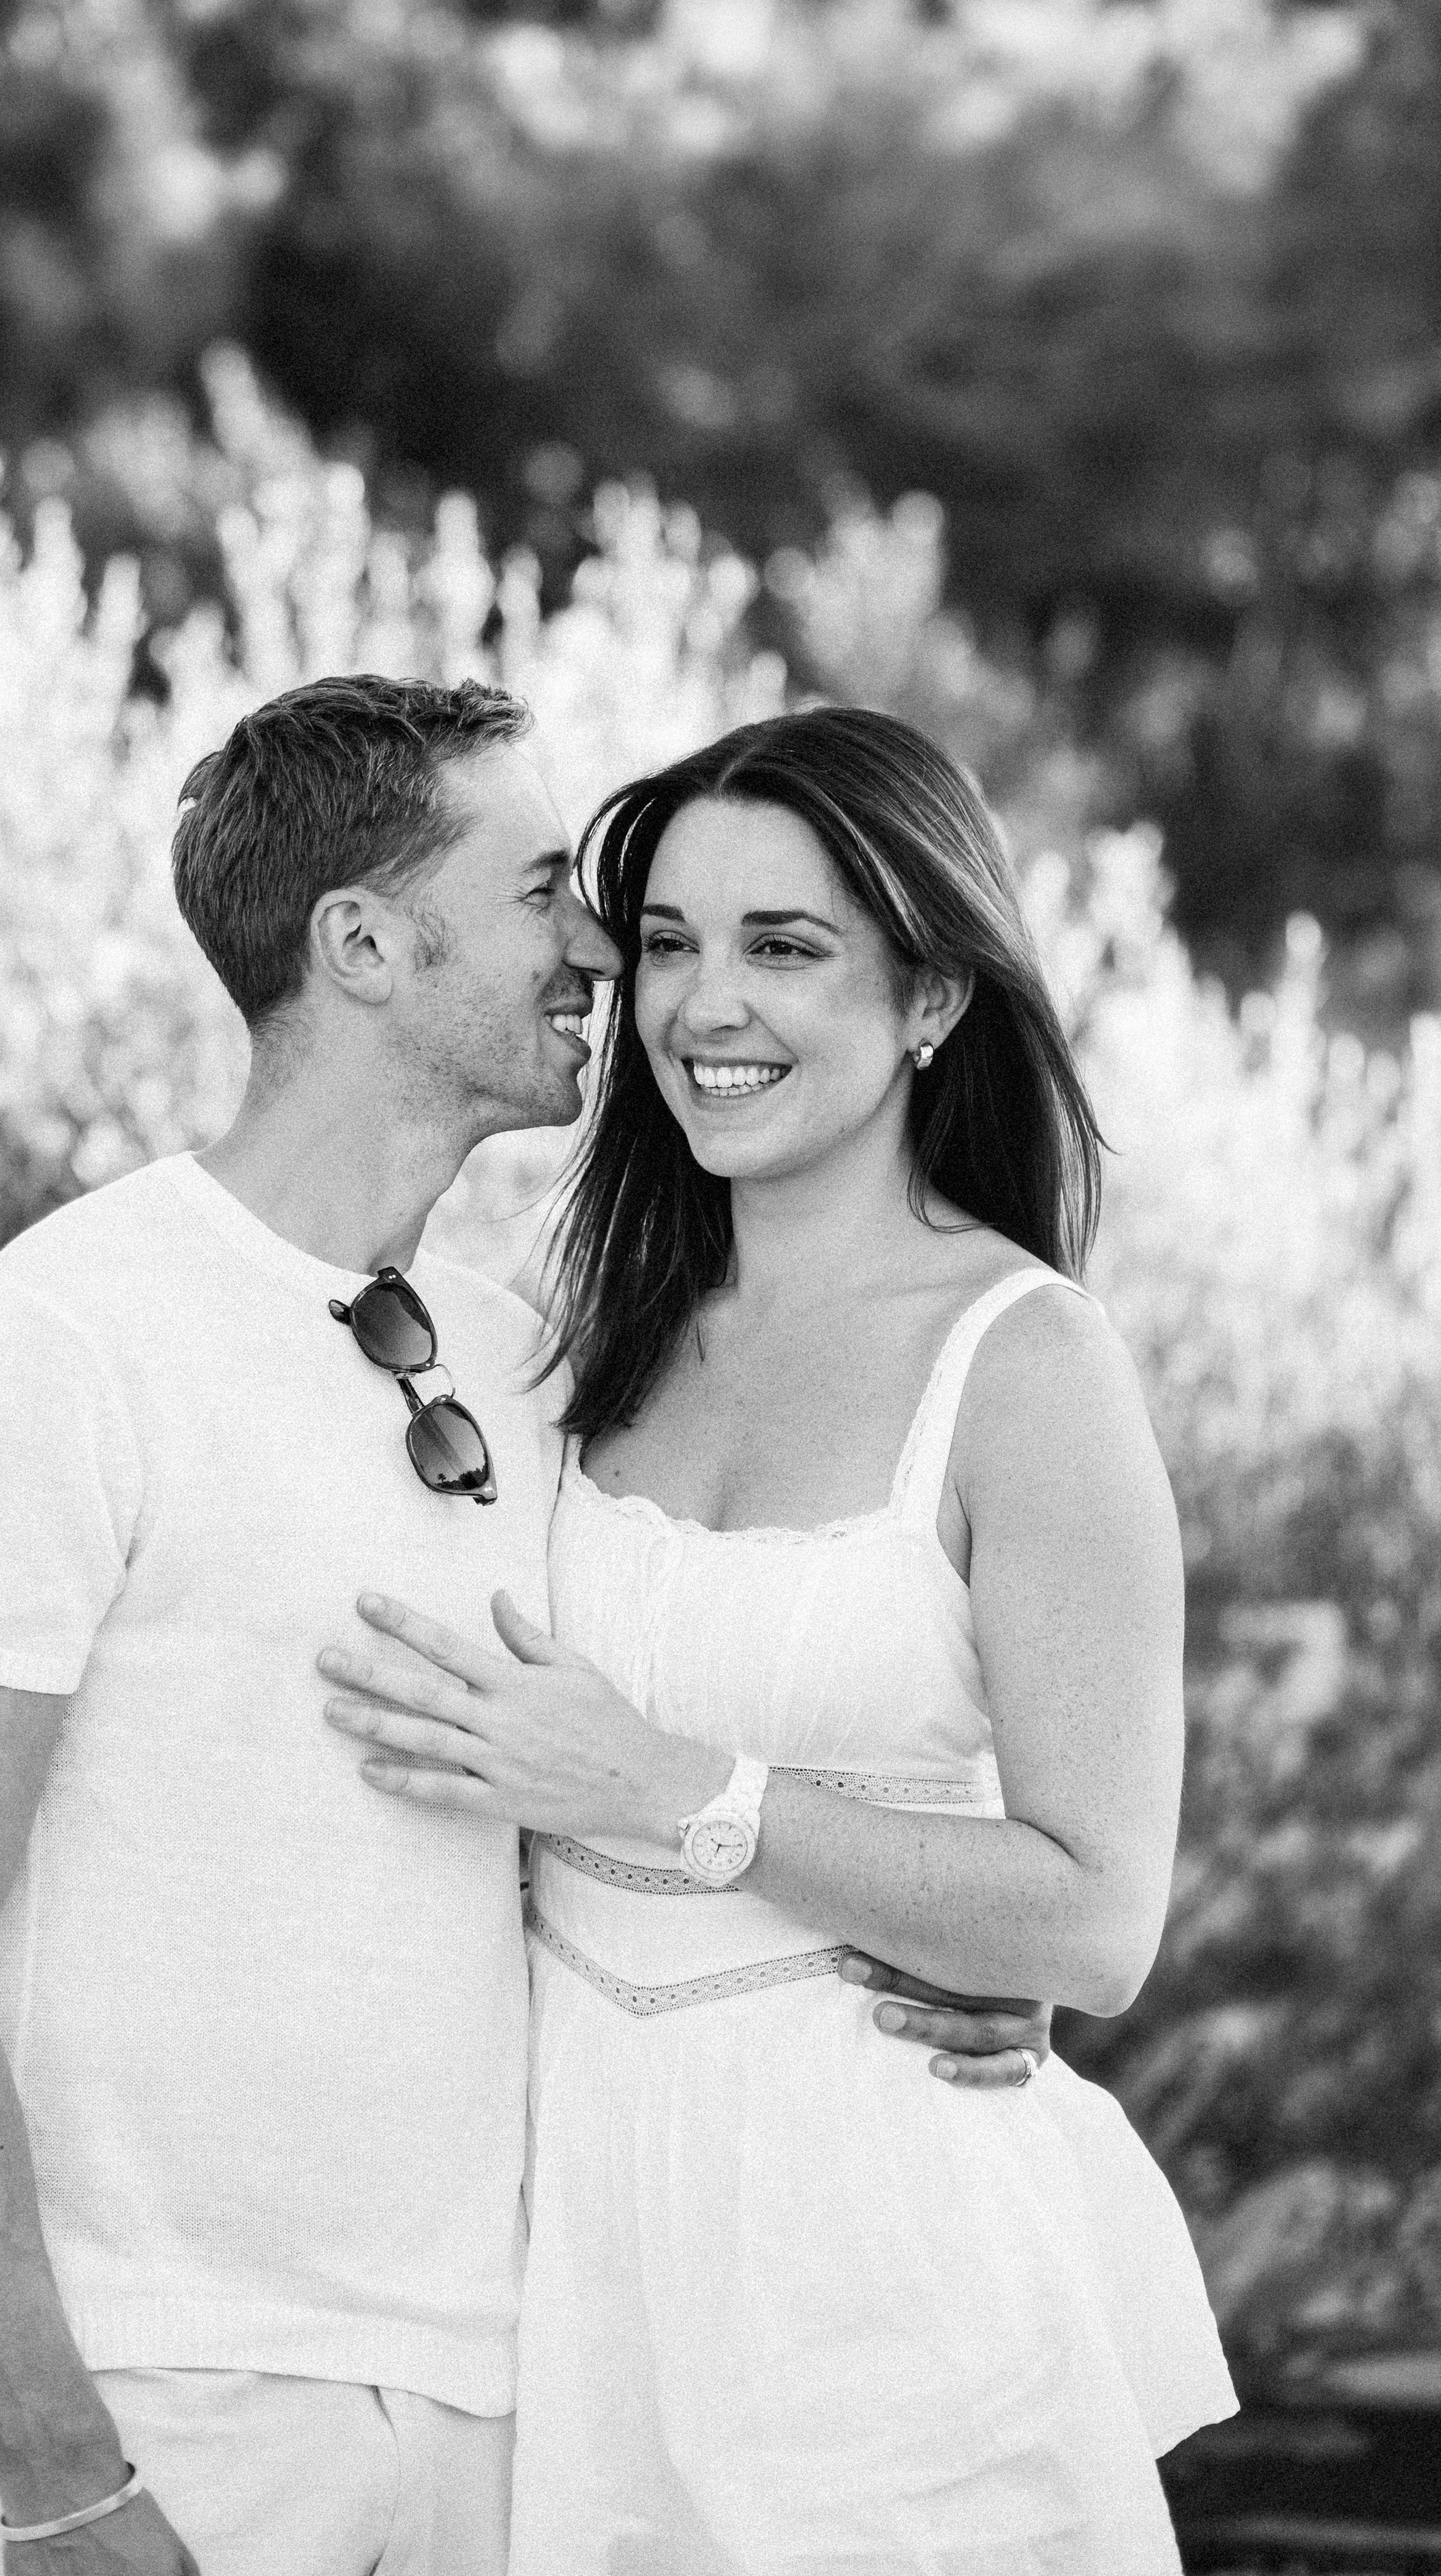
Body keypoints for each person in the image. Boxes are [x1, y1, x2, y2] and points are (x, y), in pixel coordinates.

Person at [0, 678, 1046, 2576]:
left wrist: (949, 1942)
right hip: (165, 2397)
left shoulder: (522, 1363)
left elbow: (625, 1771)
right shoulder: (65, 1339)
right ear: (365, 943)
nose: (602, 953)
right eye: (550, 891)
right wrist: (59, 2466)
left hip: (499, 2395)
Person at [316, 707, 1238, 2575]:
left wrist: (674, 1789)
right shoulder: (560, 1333)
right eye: (667, 942)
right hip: (553, 2220)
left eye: (785, 947)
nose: (701, 1004)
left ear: (930, 1002)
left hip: (867, 2239)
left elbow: (1093, 1916)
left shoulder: (1030, 1366)